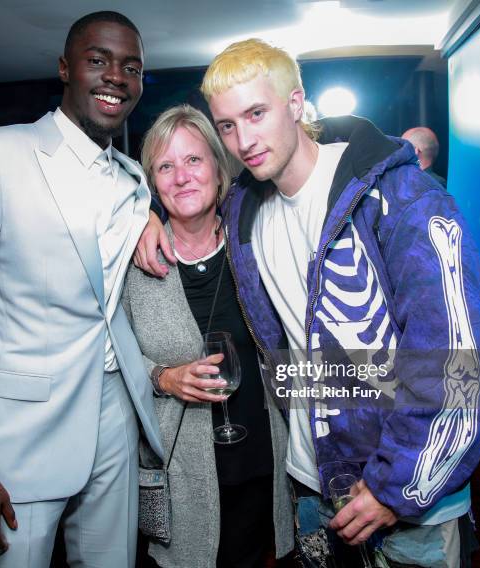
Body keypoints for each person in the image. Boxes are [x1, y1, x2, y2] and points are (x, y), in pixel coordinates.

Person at [136, 39, 480, 568]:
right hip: (309, 485)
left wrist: (392, 487)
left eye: (256, 113)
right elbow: (181, 190)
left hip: (404, 498)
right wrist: (142, 214)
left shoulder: (399, 197)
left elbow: (461, 356)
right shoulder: (246, 212)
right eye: (228, 125)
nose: (245, 140)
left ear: (295, 102)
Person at [0, 11, 163, 568]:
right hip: (16, 436)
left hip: (114, 418)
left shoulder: (131, 178)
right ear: (64, 68)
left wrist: (154, 218)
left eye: (132, 67)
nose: (116, 77)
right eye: (98, 60)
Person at [122, 104, 293, 568]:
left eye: (194, 160)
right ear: (153, 183)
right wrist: (163, 378)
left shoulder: (258, 242)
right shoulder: (131, 263)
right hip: (181, 477)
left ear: (220, 169)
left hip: (262, 461)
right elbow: (111, 357)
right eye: (166, 166)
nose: (181, 177)